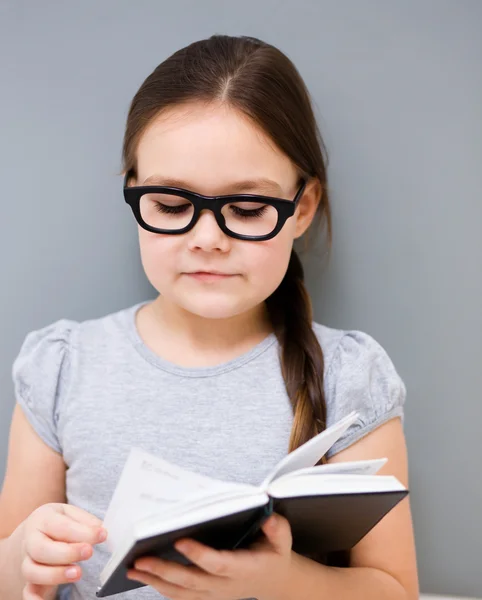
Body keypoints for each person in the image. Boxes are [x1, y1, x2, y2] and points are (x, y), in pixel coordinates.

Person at [0, 34, 418, 600]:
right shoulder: (63, 365)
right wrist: (26, 552)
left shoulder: (348, 375)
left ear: (304, 208)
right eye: (172, 205)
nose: (207, 240)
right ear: (135, 197)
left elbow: (395, 590)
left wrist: (282, 579)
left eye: (247, 209)